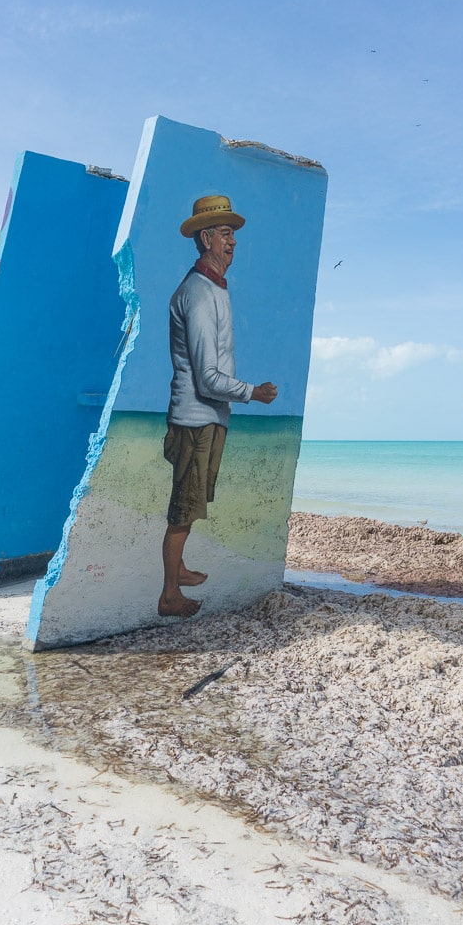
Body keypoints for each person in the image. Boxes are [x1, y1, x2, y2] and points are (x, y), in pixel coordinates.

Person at [159, 195, 278, 618]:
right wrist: (254, 392)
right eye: (225, 234)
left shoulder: (213, 287)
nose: (233, 242)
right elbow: (208, 377)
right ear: (206, 238)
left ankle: (179, 571)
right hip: (196, 419)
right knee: (182, 509)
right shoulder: (198, 293)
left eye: (234, 235)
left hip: (208, 418)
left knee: (189, 506)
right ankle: (169, 594)